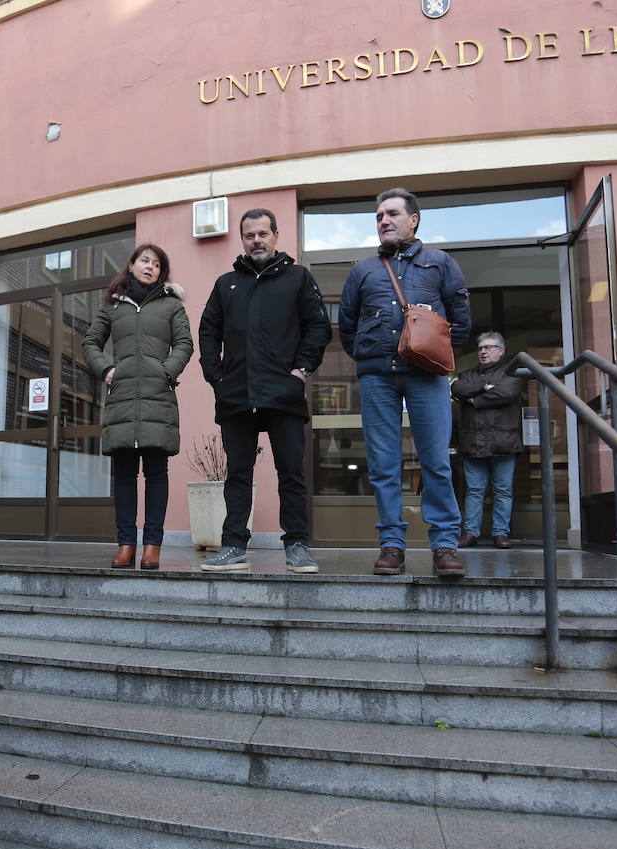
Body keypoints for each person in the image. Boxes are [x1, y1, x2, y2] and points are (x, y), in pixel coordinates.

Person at [339, 188, 472, 577]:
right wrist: (371, 356)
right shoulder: (363, 270)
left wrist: (432, 356)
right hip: (378, 377)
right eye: (379, 216)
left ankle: (445, 544)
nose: (384, 221)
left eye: (392, 214)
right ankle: (392, 545)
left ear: (414, 219)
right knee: (382, 465)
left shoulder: (440, 262)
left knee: (435, 462)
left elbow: (459, 321)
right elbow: (346, 326)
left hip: (427, 376)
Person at [198, 207, 332, 573]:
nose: (256, 240)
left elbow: (319, 327)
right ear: (242, 240)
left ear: (276, 235)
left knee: (292, 472)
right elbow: (207, 331)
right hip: (236, 394)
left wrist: (301, 371)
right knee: (237, 474)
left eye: (262, 234)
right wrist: (216, 376)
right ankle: (233, 545)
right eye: (249, 235)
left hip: (284, 394)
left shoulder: (299, 278)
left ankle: (297, 546)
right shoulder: (227, 284)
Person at [82, 243, 194, 570]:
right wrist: (106, 369)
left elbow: (185, 343)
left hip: (158, 397)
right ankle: (126, 544)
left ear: (162, 272)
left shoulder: (172, 306)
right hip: (123, 400)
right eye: (144, 260)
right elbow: (91, 343)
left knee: (157, 474)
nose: (150, 267)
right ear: (131, 265)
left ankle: (153, 546)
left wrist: (166, 370)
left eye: (157, 264)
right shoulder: (112, 306)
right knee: (125, 476)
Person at [451, 331, 526, 548]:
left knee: (503, 491)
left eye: (489, 347)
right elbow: (457, 388)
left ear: (500, 351)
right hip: (473, 443)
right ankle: (470, 533)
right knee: (474, 491)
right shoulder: (469, 374)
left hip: (503, 442)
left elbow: (505, 394)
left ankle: (500, 534)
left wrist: (473, 399)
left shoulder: (513, 373)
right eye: (481, 348)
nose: (483, 351)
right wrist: (483, 388)